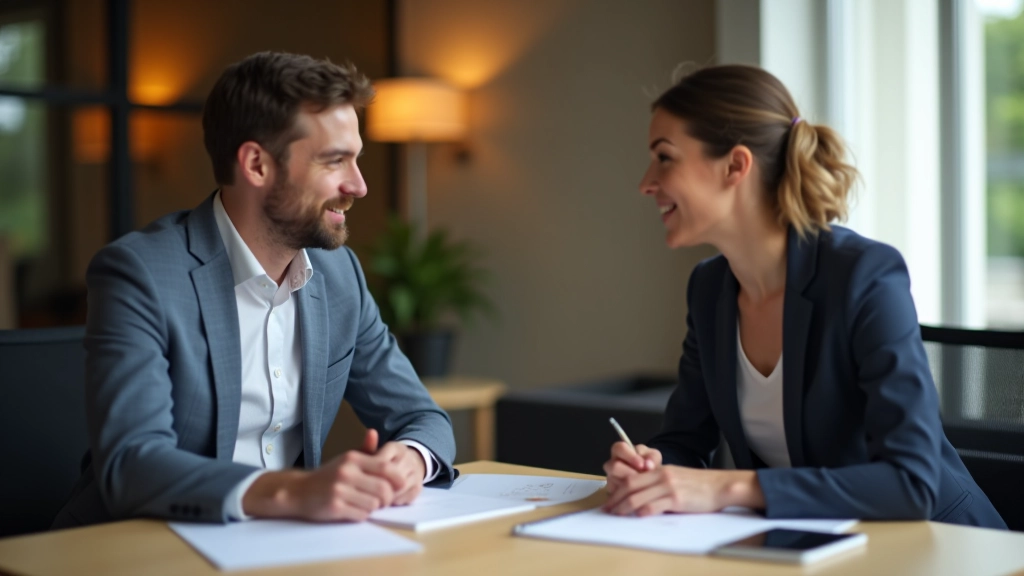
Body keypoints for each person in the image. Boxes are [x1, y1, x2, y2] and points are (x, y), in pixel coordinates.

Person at [52, 52, 456, 528]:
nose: (359, 185)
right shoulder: (141, 274)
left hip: (285, 546)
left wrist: (408, 460)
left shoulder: (340, 273)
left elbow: (423, 417)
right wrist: (295, 491)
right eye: (335, 161)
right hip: (139, 546)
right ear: (257, 165)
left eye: (357, 159)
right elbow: (131, 464)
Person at [602, 64, 1006, 529]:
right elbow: (684, 442)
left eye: (665, 157)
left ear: (736, 165)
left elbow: (912, 482)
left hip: (939, 547)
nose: (646, 182)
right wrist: (652, 469)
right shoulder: (709, 289)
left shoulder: (864, 276)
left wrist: (726, 488)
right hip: (812, 545)